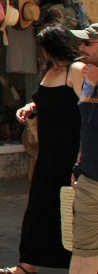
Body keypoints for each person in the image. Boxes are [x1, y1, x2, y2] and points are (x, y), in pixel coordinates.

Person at [0, 25, 84, 274]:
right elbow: (48, 99)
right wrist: (30, 106)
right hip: (48, 154)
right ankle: (27, 265)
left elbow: (87, 108)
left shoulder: (75, 70)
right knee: (39, 209)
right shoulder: (50, 71)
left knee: (71, 211)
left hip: (69, 152)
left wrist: (83, 154)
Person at [70, 24, 98, 274]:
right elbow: (87, 126)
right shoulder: (89, 79)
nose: (81, 48)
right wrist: (79, 167)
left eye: (88, 43)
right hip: (91, 180)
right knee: (83, 250)